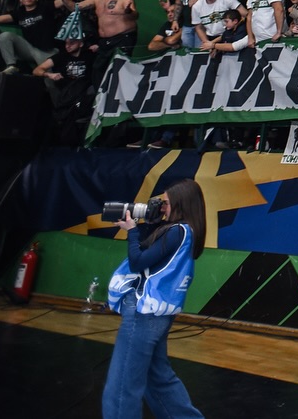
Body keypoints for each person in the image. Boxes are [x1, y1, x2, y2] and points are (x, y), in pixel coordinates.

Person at [102, 178, 207, 419]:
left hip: (144, 312)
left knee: (122, 386)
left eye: (166, 203)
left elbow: (138, 261)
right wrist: (149, 225)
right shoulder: (185, 232)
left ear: (181, 204)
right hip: (159, 313)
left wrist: (131, 231)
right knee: (157, 379)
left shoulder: (177, 232)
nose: (162, 207)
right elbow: (150, 253)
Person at [0, 0, 62, 74]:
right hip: (30, 49)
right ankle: (11, 66)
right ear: (21, 0)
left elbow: (65, 0)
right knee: (5, 36)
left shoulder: (45, 7)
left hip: (47, 51)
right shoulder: (19, 13)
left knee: (49, 80)